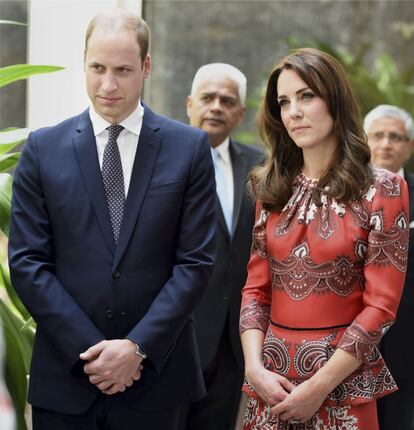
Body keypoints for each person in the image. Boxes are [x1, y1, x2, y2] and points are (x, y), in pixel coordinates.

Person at [8, 10, 217, 430]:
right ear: (84, 61)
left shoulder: (189, 148)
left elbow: (195, 262)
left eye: (122, 70)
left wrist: (136, 349)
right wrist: (93, 352)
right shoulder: (41, 149)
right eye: (97, 68)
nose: (108, 84)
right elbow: (28, 263)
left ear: (146, 67)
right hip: (67, 379)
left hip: (158, 380)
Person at [239, 48, 409, 429]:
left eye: (306, 96)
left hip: (341, 384)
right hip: (271, 383)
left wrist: (319, 386)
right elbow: (255, 291)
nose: (293, 112)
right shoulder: (271, 188)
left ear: (334, 99)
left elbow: (380, 308)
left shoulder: (384, 188)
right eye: (284, 102)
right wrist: (254, 370)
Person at [180, 63, 262, 430]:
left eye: (227, 101)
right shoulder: (161, 159)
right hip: (176, 337)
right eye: (207, 98)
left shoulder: (261, 166)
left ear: (240, 113)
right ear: (189, 105)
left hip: (233, 343)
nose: (216, 107)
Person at [364, 104, 414, 430]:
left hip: (407, 335)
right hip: (349, 334)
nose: (386, 144)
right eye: (378, 135)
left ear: (408, 146)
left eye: (395, 137)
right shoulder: (345, 191)